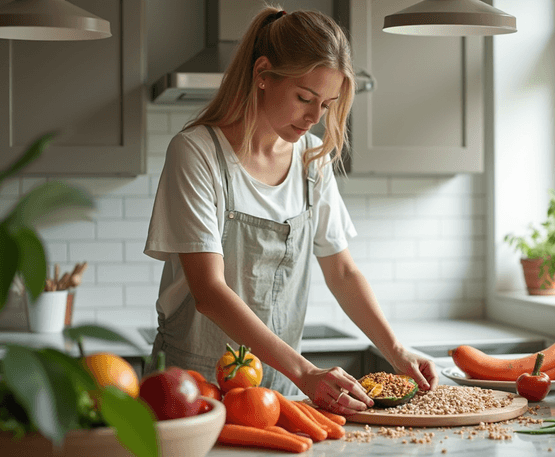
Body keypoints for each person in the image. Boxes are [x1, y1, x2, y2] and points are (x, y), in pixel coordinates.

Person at [144, 5, 437, 414]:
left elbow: (342, 271)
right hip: (192, 390)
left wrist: (396, 349)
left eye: (328, 103)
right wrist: (305, 371)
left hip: (278, 389)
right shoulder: (196, 153)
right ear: (262, 74)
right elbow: (209, 292)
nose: (315, 117)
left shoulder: (311, 162)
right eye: (305, 97)